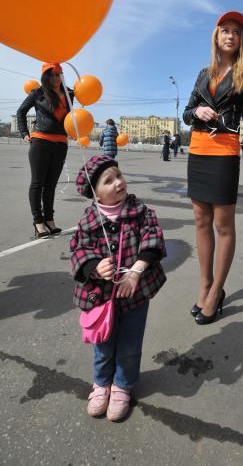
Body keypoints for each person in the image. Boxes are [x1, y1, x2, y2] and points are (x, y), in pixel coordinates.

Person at [183, 11, 243, 325]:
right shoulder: (202, 73)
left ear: (240, 40)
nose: (230, 36)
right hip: (197, 149)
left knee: (223, 225)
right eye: (225, 30)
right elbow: (186, 113)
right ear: (216, 35)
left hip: (225, 151)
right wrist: (198, 109)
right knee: (200, 221)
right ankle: (205, 285)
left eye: (236, 32)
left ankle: (216, 291)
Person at [71, 155, 166, 421]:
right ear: (95, 193)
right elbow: (78, 249)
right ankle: (101, 384)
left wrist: (136, 271)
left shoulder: (140, 211)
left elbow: (153, 238)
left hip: (134, 295)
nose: (118, 182)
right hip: (100, 298)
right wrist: (94, 267)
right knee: (102, 344)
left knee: (129, 344)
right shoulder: (89, 219)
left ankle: (122, 385)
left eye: (119, 175)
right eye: (108, 180)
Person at [16, 63, 73, 237]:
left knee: (51, 185)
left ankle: (49, 219)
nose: (55, 78)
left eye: (58, 74)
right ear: (45, 76)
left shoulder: (70, 94)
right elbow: (21, 112)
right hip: (41, 142)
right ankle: (38, 222)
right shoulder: (37, 93)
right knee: (37, 183)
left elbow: (72, 117)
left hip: (61, 144)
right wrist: (24, 133)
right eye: (52, 75)